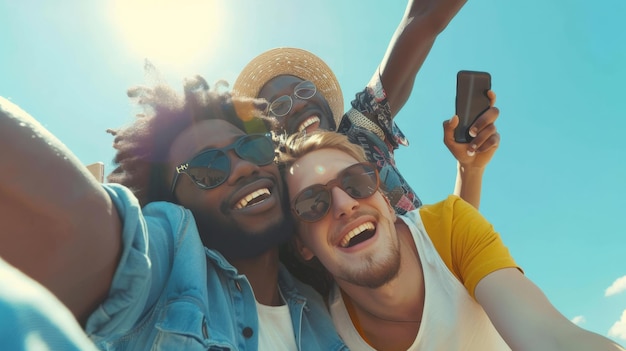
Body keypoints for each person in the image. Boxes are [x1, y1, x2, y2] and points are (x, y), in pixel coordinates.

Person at [0, 70, 347, 350]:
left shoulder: (319, 309)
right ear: (176, 203)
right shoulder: (169, 255)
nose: (243, 168)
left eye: (251, 147)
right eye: (208, 168)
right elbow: (74, 230)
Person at [276, 130, 626, 351]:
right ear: (302, 245)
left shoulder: (449, 225)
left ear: (386, 199)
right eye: (313, 204)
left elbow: (550, 338)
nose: (344, 204)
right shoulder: (325, 332)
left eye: (357, 182)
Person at [233, 0, 499, 213]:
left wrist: (470, 169)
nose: (298, 104)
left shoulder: (361, 128)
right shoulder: (278, 201)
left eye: (304, 90)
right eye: (278, 106)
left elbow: (423, 15)